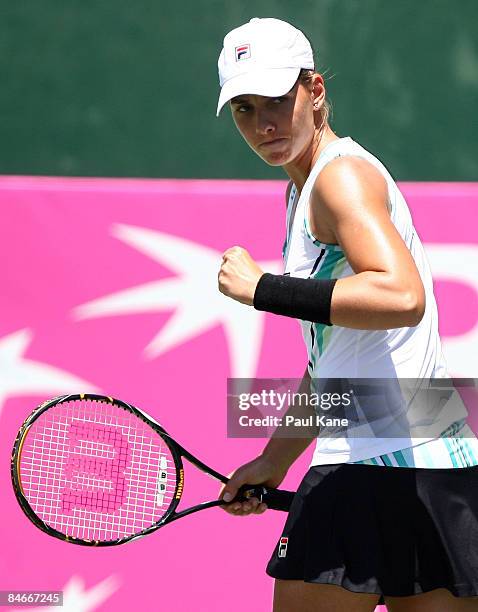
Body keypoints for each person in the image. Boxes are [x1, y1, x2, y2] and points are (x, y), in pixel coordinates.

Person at [215, 17, 478, 612]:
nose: (264, 125)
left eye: (278, 101)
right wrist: (275, 459)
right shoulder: (307, 187)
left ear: (315, 90)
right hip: (440, 465)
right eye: (245, 110)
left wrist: (265, 290)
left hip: (369, 468)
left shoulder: (341, 181)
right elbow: (341, 357)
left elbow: (400, 298)